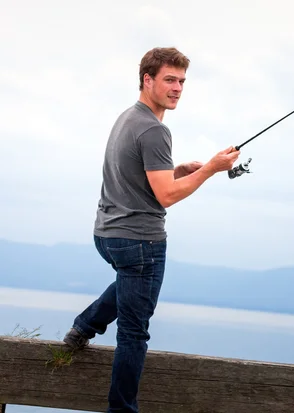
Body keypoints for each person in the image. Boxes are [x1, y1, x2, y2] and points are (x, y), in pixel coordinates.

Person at [62, 46, 240, 412]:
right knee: (133, 333)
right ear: (148, 79)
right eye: (169, 80)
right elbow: (167, 197)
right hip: (140, 240)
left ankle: (83, 327)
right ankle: (122, 409)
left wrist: (178, 170)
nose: (177, 88)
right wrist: (210, 169)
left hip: (107, 236)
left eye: (182, 81)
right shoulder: (155, 131)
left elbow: (138, 178)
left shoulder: (129, 118)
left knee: (130, 283)